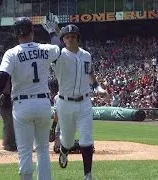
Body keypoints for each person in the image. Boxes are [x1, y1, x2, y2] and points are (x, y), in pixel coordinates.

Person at [43, 16, 108, 180]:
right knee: (68, 140)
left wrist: (97, 87)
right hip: (65, 103)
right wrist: (53, 32)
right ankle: (64, 151)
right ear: (63, 39)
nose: (70, 38)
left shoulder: (86, 55)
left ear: (78, 38)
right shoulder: (59, 55)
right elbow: (54, 46)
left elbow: (90, 72)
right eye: (67, 36)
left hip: (85, 102)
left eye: (73, 36)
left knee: (87, 139)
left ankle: (88, 175)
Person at [0, 17, 60, 180]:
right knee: (43, 150)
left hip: (22, 105)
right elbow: (59, 47)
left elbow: (2, 76)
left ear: (16, 34)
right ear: (32, 31)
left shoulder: (12, 53)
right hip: (44, 104)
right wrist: (52, 32)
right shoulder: (45, 49)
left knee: (24, 151)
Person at [0, 77, 17, 152]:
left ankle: (9, 143)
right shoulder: (6, 76)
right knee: (9, 123)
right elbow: (6, 91)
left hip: (10, 103)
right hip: (6, 103)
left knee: (10, 124)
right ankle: (9, 144)